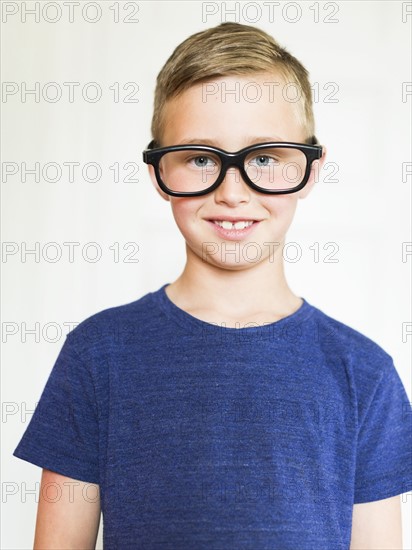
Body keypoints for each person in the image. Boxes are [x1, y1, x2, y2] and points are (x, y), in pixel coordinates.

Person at [13, 22, 411, 549]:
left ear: (311, 169)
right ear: (159, 172)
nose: (232, 191)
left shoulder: (364, 373)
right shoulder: (97, 354)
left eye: (264, 158)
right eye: (201, 158)